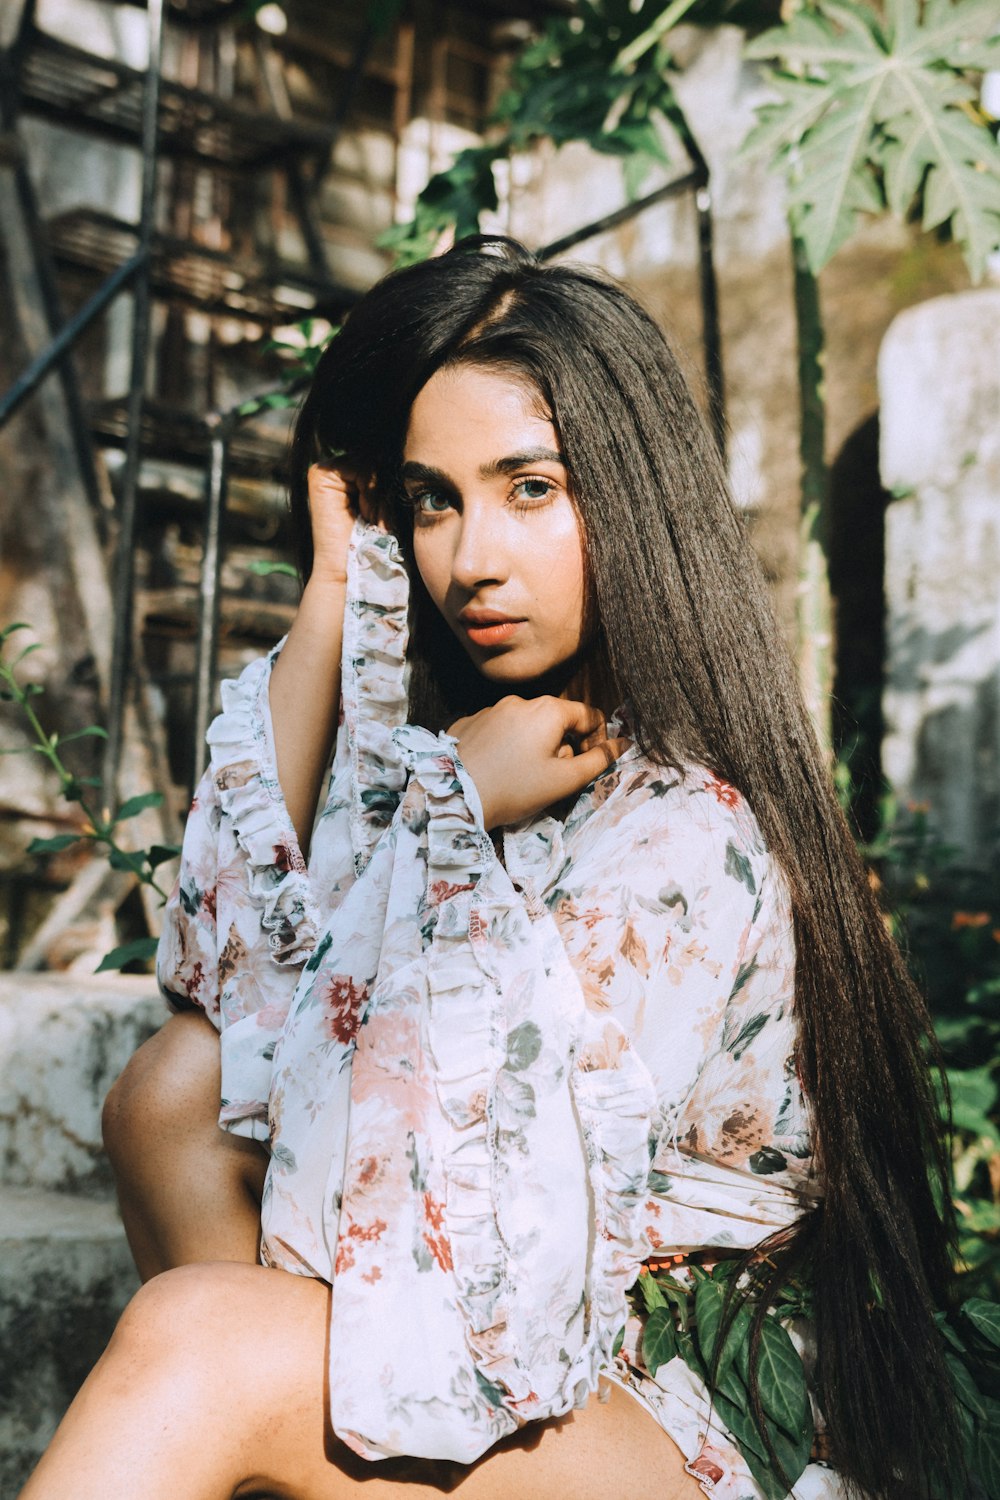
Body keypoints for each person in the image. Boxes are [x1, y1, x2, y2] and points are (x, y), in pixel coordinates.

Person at [22, 238, 959, 1500]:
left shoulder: (685, 834)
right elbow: (223, 983)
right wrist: (333, 594)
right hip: (487, 1352)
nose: (470, 560)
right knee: (169, 1095)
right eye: (430, 500)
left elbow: (429, 1236)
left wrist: (443, 807)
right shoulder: (475, 769)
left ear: (628, 495)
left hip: (665, 1402)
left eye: (529, 488)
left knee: (203, 1343)